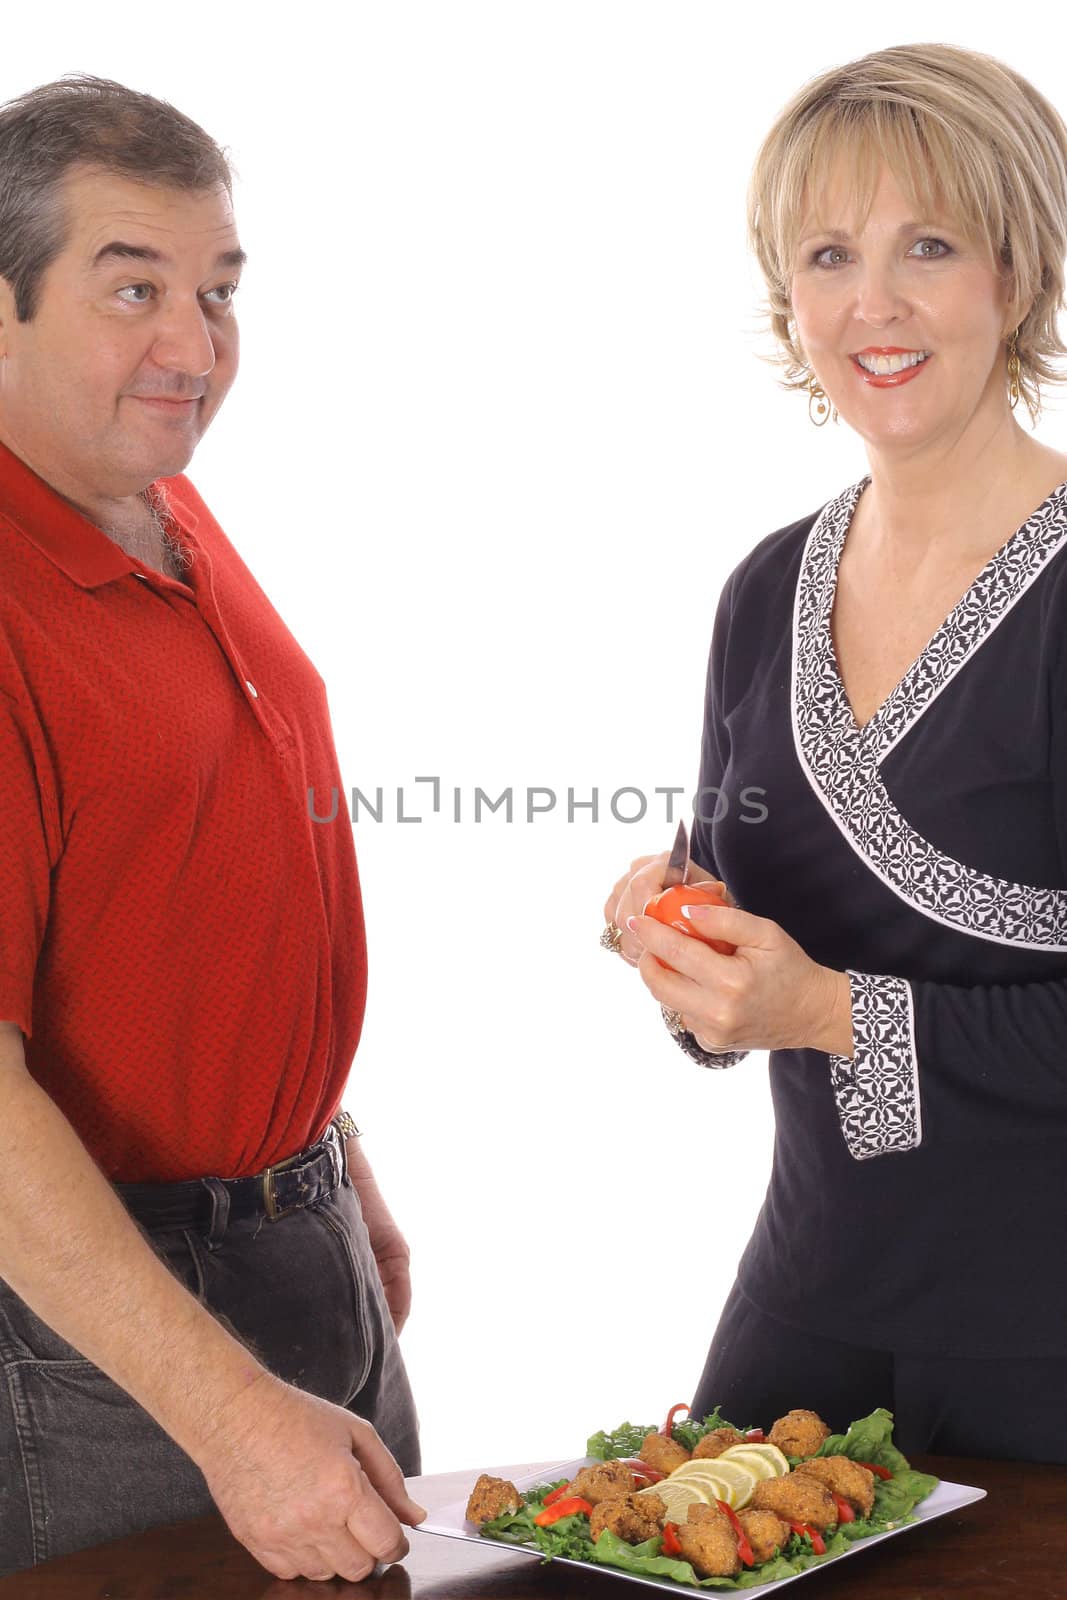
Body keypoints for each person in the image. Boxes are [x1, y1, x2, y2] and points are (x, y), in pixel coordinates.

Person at [603, 42, 1067, 1464]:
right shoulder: (765, 588)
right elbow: (746, 980)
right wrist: (677, 950)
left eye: (929, 244)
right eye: (828, 253)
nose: (875, 303)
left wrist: (823, 1015)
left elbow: (819, 1004)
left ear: (1017, 270)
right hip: (799, 1327)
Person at [0, 75, 424, 1580]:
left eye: (220, 291)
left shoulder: (158, 500)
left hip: (297, 1246)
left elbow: (180, 888)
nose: (196, 349)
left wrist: (325, 1152)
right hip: (106, 1340)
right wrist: (233, 1416)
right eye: (134, 291)